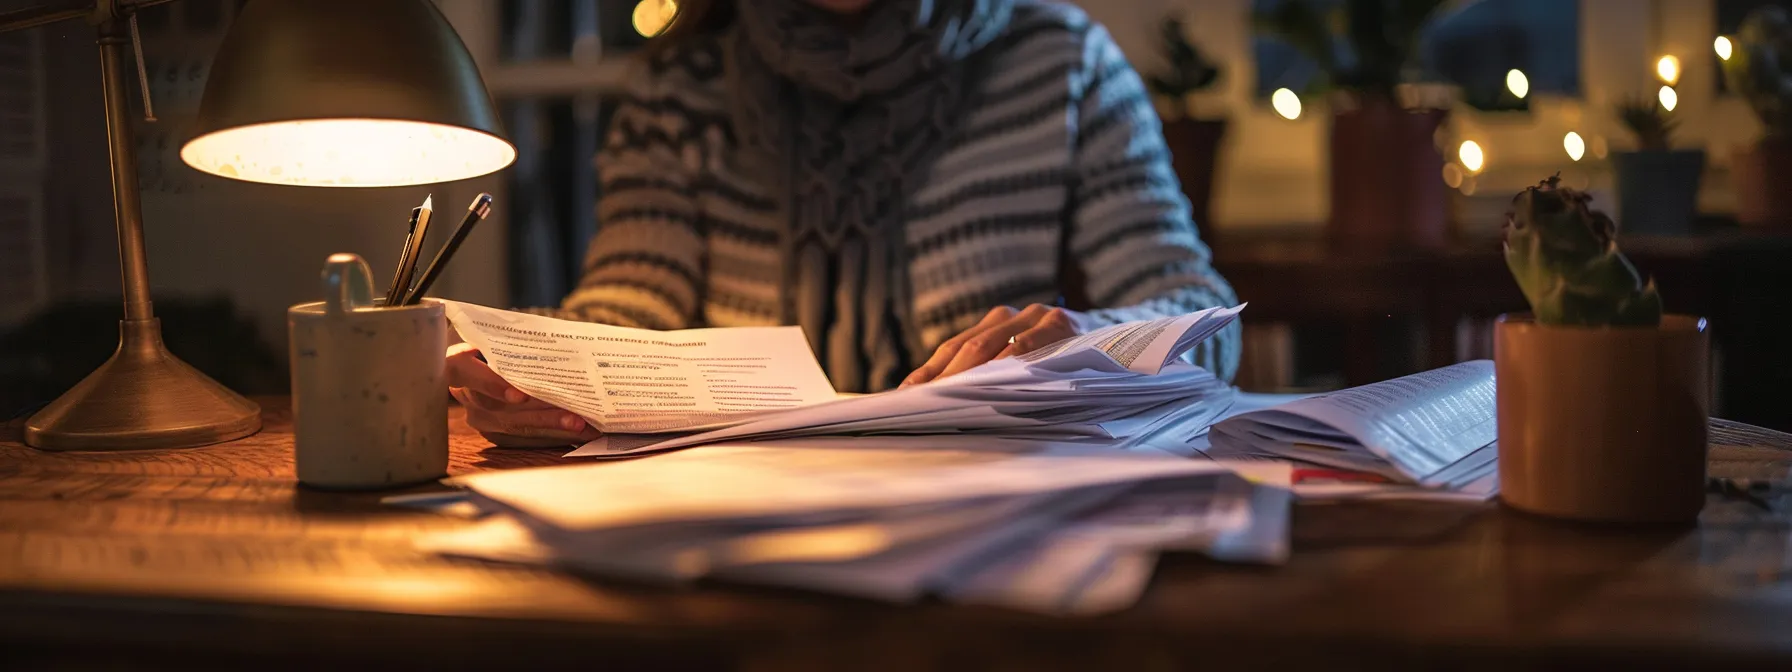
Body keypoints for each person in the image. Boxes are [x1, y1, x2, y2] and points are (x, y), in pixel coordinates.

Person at [447, 0, 1241, 447]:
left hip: (983, 485)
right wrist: (534, 370)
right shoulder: (681, 87)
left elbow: (1198, 310)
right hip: (743, 511)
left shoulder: (1063, 64)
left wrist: (1089, 341)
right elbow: (628, 305)